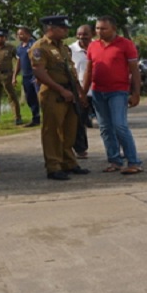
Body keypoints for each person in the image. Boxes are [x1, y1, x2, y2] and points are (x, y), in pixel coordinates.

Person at [29, 15, 90, 181]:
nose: (66, 30)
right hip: (53, 93)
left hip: (70, 92)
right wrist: (61, 90)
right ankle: (53, 166)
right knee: (53, 131)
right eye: (61, 28)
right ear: (50, 29)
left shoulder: (63, 47)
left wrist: (79, 91)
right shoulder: (40, 47)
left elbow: (71, 71)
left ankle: (69, 162)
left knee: (70, 130)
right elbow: (39, 72)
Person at [82, 15, 143, 175]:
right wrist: (83, 92)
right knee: (105, 128)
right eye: (97, 28)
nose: (99, 31)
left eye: (103, 28)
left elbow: (135, 71)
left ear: (113, 29)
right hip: (98, 91)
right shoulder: (93, 46)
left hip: (118, 91)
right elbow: (89, 71)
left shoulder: (125, 45)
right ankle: (114, 160)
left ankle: (133, 161)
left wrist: (136, 93)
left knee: (119, 126)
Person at [0, 28, 22, 125]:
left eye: (2, 37)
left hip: (7, 75)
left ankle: (17, 117)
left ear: (6, 38)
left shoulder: (11, 48)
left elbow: (18, 60)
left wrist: (15, 75)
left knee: (12, 96)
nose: (0, 39)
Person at [70, 24, 94, 158]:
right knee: (79, 122)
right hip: (79, 91)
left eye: (85, 34)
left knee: (108, 122)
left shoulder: (97, 46)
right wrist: (80, 93)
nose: (81, 37)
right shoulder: (71, 49)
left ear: (92, 35)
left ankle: (116, 149)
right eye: (79, 34)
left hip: (98, 90)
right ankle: (81, 149)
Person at [14, 26, 40, 127]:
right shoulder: (20, 47)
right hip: (25, 76)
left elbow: (39, 60)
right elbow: (18, 62)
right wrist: (14, 76)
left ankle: (48, 117)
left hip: (35, 75)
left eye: (21, 34)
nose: (19, 36)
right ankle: (35, 117)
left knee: (40, 97)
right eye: (18, 34)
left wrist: (38, 76)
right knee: (30, 98)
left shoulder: (34, 45)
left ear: (28, 34)